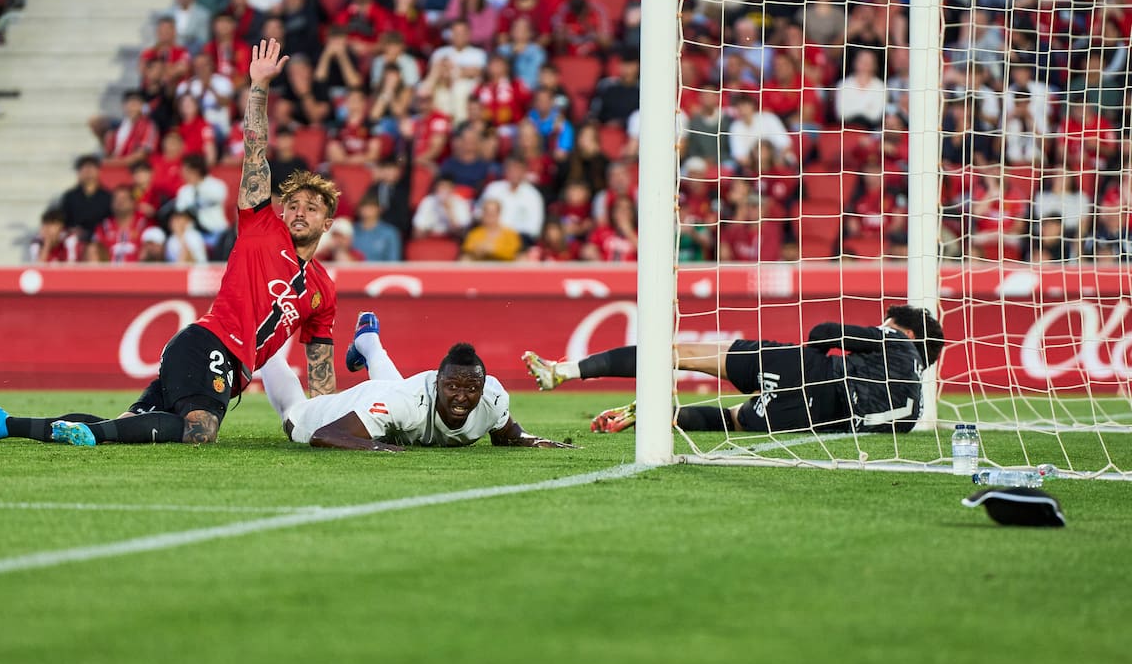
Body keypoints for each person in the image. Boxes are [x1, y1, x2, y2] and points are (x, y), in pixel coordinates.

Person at [0, 40, 343, 448]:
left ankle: (5, 423)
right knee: (200, 432)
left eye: (313, 208)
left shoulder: (323, 290)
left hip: (221, 365)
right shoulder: (260, 225)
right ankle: (89, 436)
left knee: (127, 423)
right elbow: (254, 151)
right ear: (282, 212)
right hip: (208, 345)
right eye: (294, 205)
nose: (301, 212)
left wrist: (328, 423)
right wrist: (259, 88)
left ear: (328, 222)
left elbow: (320, 368)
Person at [521, 305, 945, 436]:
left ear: (905, 331)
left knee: (678, 354)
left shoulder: (894, 339)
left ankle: (565, 371)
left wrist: (812, 359)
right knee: (735, 420)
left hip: (806, 368)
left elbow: (824, 330)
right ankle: (653, 416)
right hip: (813, 420)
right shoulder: (912, 414)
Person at [262, 312, 571, 450]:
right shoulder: (407, 403)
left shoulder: (493, 397)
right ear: (437, 383)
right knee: (294, 407)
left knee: (398, 403)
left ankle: (368, 338)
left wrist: (534, 440)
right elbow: (325, 435)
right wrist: (378, 449)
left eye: (471, 389)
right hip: (323, 417)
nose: (462, 397)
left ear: (483, 386)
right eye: (453, 387)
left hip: (393, 399)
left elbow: (507, 434)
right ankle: (263, 345)